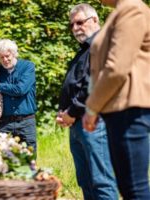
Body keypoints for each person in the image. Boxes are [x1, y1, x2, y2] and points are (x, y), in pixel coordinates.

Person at [82, 0, 150, 199]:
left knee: (134, 188)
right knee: (129, 187)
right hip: (119, 109)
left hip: (129, 107)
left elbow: (116, 68)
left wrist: (92, 107)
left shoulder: (131, 9)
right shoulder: (120, 12)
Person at [56, 4, 118, 200]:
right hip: (77, 125)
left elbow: (94, 84)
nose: (75, 28)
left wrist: (70, 112)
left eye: (80, 22)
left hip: (95, 123)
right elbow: (75, 85)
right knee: (85, 180)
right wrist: (63, 112)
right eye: (72, 24)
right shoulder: (84, 50)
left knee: (102, 181)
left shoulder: (101, 44)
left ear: (95, 20)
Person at [0, 39, 37, 151]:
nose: (5, 60)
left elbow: (20, 89)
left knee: (29, 158)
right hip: (5, 123)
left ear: (14, 53)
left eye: (7, 56)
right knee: (4, 159)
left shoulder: (28, 67)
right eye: (1, 57)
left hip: (26, 122)